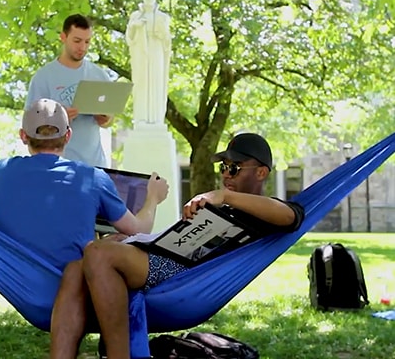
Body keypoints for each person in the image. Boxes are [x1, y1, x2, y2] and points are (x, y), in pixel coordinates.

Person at [50, 132, 305, 359]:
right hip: (163, 254)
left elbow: (291, 217)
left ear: (261, 172)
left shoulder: (264, 210)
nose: (226, 174)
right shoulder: (224, 207)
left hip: (183, 274)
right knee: (76, 267)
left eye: (235, 168)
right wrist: (130, 242)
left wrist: (224, 196)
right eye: (224, 167)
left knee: (98, 252)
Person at [0, 98, 169, 358]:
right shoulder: (92, 178)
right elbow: (140, 229)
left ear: (23, 136)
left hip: (26, 285)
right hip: (85, 287)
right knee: (115, 242)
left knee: (105, 245)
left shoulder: (2, 171)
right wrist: (153, 198)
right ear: (68, 135)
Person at [25, 14, 112, 167]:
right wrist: (57, 117)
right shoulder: (44, 77)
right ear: (63, 37)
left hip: (94, 166)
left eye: (87, 42)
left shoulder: (99, 75)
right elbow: (30, 126)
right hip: (57, 166)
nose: (82, 47)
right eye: (77, 41)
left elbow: (109, 121)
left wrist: (105, 119)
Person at [126, 0, 171, 125]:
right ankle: (141, 118)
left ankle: (156, 118)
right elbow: (129, 37)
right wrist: (135, 26)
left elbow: (167, 41)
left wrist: (162, 34)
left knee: (156, 82)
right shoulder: (135, 16)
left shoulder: (163, 17)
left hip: (156, 51)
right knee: (141, 83)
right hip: (140, 52)